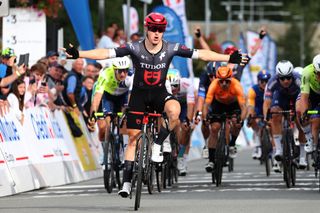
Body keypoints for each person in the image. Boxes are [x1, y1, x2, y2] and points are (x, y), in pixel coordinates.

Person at [63, 12, 248, 198]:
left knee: (174, 112)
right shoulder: (134, 47)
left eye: (160, 29)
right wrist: (79, 54)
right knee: (133, 139)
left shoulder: (171, 47)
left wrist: (228, 58)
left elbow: (201, 55)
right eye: (153, 29)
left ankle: (158, 143)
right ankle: (127, 182)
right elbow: (105, 53)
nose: (156, 33)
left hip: (160, 93)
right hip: (139, 95)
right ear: (147, 29)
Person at [200, 66, 247, 172]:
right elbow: (206, 105)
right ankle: (211, 160)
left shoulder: (236, 85)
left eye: (227, 81)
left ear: (231, 79)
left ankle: (232, 144)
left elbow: (244, 107)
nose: (224, 84)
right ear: (217, 80)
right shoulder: (213, 85)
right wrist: (205, 118)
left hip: (233, 105)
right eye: (221, 81)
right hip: (218, 105)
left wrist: (241, 119)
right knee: (215, 128)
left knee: (237, 123)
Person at [263, 60, 305, 171]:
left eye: (288, 78)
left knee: (301, 122)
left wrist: (302, 112)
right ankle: (279, 150)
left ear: (292, 75)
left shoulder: (298, 79)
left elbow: (305, 97)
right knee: (274, 114)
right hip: (280, 98)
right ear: (278, 77)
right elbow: (267, 101)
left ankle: (302, 157)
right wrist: (266, 116)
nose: (286, 81)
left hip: (297, 97)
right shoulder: (272, 81)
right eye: (282, 78)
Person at [88, 56, 132, 145]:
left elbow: (132, 97)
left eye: (125, 70)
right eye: (120, 71)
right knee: (104, 126)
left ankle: (122, 147)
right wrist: (92, 115)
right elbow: (97, 97)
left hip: (123, 96)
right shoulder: (105, 75)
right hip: (108, 96)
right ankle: (105, 149)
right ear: (114, 69)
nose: (123, 74)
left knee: (125, 122)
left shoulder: (131, 76)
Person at [166, 68, 195, 176]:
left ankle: (181, 156)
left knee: (186, 128)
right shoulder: (164, 86)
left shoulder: (187, 84)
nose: (174, 89)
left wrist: (188, 120)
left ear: (179, 82)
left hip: (183, 106)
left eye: (175, 86)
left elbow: (191, 104)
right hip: (170, 104)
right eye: (171, 87)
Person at [194, 61, 219, 161]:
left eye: (215, 76)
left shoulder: (224, 77)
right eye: (210, 76)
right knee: (205, 119)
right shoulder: (204, 77)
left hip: (221, 100)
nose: (213, 79)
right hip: (209, 101)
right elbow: (201, 97)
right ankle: (206, 142)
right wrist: (199, 113)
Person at [296, 54, 320, 155]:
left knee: (316, 119)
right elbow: (304, 97)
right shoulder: (307, 72)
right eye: (318, 73)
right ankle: (309, 138)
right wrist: (305, 112)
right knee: (299, 109)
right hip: (312, 94)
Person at [246, 70, 271, 159]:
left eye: (267, 81)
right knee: (253, 121)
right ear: (258, 81)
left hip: (269, 109)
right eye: (262, 81)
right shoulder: (253, 90)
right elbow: (250, 106)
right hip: (257, 109)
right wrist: (250, 116)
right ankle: (257, 147)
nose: (264, 83)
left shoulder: (273, 89)